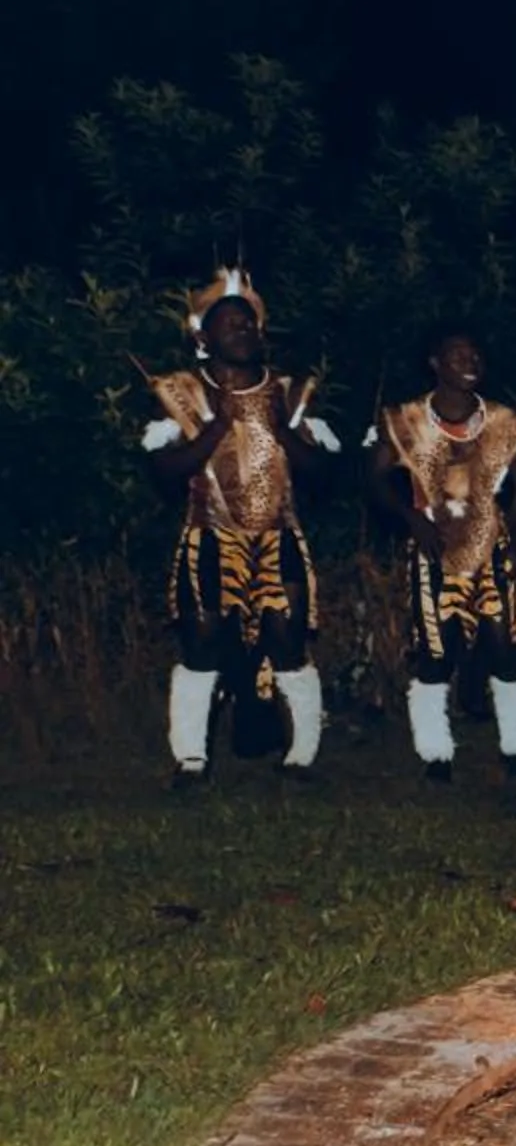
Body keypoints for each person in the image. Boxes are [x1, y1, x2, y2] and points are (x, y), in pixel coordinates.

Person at [136, 267, 343, 783]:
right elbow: (163, 472)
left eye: (248, 324)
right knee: (202, 643)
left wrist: (278, 429)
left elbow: (322, 473)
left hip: (280, 533)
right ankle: (191, 758)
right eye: (229, 325)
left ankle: (302, 755)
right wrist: (220, 424)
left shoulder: (290, 393)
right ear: (204, 338)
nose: (242, 332)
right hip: (210, 532)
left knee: (288, 639)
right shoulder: (182, 393)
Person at [370, 329, 516, 781]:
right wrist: (412, 518)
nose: (470, 361)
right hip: (435, 551)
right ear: (436, 363)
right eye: (458, 354)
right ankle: (436, 754)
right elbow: (375, 479)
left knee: (506, 649)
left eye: (475, 353)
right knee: (436, 652)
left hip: (491, 547)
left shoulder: (506, 421)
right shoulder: (406, 419)